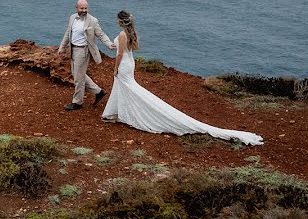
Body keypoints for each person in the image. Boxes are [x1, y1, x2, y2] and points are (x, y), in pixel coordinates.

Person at [101, 10, 263, 145]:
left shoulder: (122, 34)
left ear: (120, 22)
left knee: (129, 89)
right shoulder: (129, 34)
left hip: (123, 65)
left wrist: (115, 68)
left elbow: (120, 54)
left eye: (117, 20)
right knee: (125, 88)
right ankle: (116, 112)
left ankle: (119, 113)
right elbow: (126, 49)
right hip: (130, 64)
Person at [57, 0, 116, 111]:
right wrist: (62, 47)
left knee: (78, 79)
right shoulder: (72, 17)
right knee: (78, 75)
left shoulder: (93, 21)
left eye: (86, 8)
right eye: (82, 8)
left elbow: (101, 34)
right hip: (72, 49)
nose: (84, 10)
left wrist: (109, 44)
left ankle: (77, 102)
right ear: (77, 8)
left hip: (83, 51)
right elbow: (67, 33)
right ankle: (99, 91)